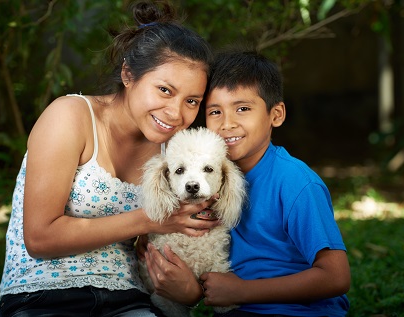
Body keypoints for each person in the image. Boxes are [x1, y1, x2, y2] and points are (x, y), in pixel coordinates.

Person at [0, 1, 219, 316]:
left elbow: (178, 236)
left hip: (128, 300)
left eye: (192, 100)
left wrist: (191, 291)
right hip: (41, 296)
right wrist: (148, 219)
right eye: (165, 90)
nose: (176, 113)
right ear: (128, 74)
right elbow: (39, 237)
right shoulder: (70, 117)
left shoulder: (175, 157)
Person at [141, 49, 351, 317]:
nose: (227, 123)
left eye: (242, 108)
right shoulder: (210, 175)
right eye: (215, 111)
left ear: (275, 114)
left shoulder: (296, 183)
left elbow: (336, 277)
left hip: (296, 311)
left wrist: (243, 291)